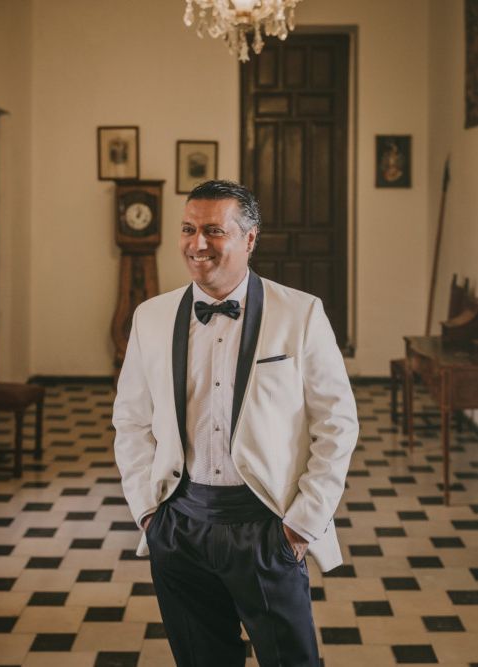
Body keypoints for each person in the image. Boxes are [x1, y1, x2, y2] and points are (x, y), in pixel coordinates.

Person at [112, 180, 359, 667]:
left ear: (249, 239)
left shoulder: (302, 313)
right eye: (187, 229)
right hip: (178, 525)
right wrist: (148, 511)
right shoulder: (150, 317)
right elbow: (131, 420)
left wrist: (302, 526)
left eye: (212, 230)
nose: (196, 244)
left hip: (267, 525)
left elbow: (337, 423)